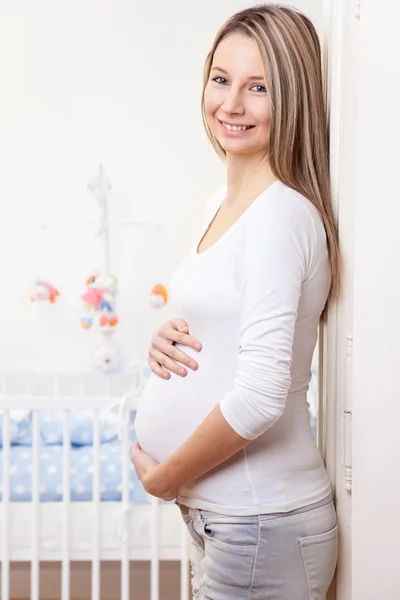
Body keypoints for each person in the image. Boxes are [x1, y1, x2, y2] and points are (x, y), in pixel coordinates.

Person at [131, 4, 341, 599]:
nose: (231, 104)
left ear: (294, 97)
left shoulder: (281, 216)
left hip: (259, 518)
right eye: (221, 79)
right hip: (233, 519)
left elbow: (260, 395)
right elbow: (229, 326)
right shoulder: (220, 207)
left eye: (259, 88)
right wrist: (165, 334)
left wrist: (166, 479)